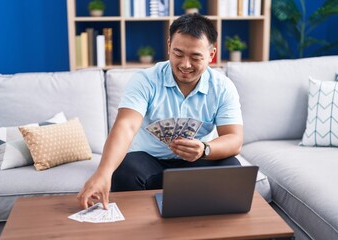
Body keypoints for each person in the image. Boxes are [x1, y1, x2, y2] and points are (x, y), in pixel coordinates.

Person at [77, 13, 243, 209]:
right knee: (123, 170)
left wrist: (205, 149)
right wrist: (103, 172)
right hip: (147, 162)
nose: (185, 64)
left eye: (195, 57)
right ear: (168, 46)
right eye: (178, 54)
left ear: (211, 55)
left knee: (231, 167)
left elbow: (234, 138)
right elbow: (126, 125)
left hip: (196, 163)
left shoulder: (223, 87)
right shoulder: (145, 80)